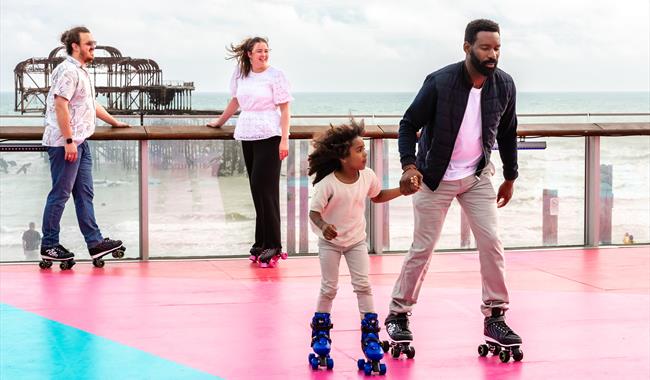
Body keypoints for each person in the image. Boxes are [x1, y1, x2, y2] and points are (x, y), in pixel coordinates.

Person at [385, 19, 523, 355]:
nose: (492, 55)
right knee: (423, 248)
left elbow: (507, 131)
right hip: (435, 178)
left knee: (492, 242)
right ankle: (398, 314)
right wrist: (410, 166)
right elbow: (408, 124)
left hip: (477, 177)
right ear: (467, 48)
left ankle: (495, 315)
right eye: (485, 48)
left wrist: (510, 176)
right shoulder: (440, 82)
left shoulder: (504, 85)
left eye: (497, 48)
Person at [306, 121, 411, 373]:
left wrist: (402, 190)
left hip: (356, 241)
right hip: (330, 244)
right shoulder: (328, 183)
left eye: (364, 149)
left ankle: (371, 335)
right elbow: (313, 212)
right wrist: (324, 226)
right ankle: (321, 334)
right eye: (359, 150)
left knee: (363, 285)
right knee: (329, 287)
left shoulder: (367, 176)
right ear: (343, 157)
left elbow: (377, 196)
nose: (365, 154)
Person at [40, 26, 128, 265]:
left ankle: (95, 242)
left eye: (94, 43)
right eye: (89, 43)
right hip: (65, 144)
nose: (93, 47)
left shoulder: (82, 71)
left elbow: (91, 104)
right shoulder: (68, 71)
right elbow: (61, 105)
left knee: (84, 195)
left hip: (81, 141)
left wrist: (115, 122)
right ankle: (49, 245)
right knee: (60, 195)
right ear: (75, 46)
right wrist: (69, 142)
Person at [206, 37, 292, 266]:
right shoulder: (241, 74)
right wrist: (219, 122)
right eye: (259, 51)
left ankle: (274, 244)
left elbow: (285, 110)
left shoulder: (276, 75)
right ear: (249, 54)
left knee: (266, 190)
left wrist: (285, 140)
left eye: (266, 51)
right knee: (256, 191)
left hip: (270, 135)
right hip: (247, 133)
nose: (264, 55)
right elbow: (235, 101)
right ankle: (261, 243)